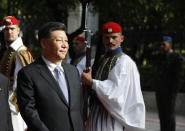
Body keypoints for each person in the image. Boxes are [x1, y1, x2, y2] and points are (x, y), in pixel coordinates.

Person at [17, 22, 84, 131]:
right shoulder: (28, 74)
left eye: (66, 41)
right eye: (59, 40)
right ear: (44, 43)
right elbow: (29, 111)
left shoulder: (73, 71)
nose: (64, 45)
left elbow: (78, 106)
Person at [81, 22, 145, 131]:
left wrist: (92, 83)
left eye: (114, 37)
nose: (110, 41)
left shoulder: (124, 62)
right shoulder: (100, 60)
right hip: (96, 112)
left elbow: (115, 92)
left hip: (113, 116)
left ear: (122, 38)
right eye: (106, 38)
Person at [0, 16, 34, 131]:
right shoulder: (9, 50)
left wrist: (10, 105)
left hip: (14, 107)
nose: (9, 32)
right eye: (6, 29)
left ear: (18, 30)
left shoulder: (21, 52)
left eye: (12, 29)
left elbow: (23, 83)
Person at [152, 36, 184, 131]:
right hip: (160, 90)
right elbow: (146, 55)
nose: (162, 47)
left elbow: (179, 76)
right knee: (162, 114)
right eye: (161, 45)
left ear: (170, 45)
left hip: (170, 92)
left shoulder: (177, 57)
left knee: (169, 115)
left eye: (164, 44)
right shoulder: (160, 56)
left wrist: (174, 91)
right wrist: (154, 46)